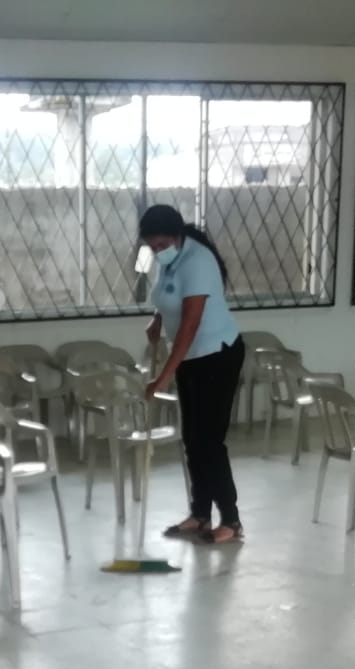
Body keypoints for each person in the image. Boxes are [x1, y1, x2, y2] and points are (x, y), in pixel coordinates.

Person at [138, 204, 246, 544]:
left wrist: (163, 377)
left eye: (161, 245)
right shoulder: (169, 258)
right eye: (151, 246)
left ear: (177, 236)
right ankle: (200, 514)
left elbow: (190, 323)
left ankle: (231, 520)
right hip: (191, 356)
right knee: (192, 439)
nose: (157, 251)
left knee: (209, 442)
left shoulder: (198, 261)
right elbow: (169, 294)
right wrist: (157, 320)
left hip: (217, 355)